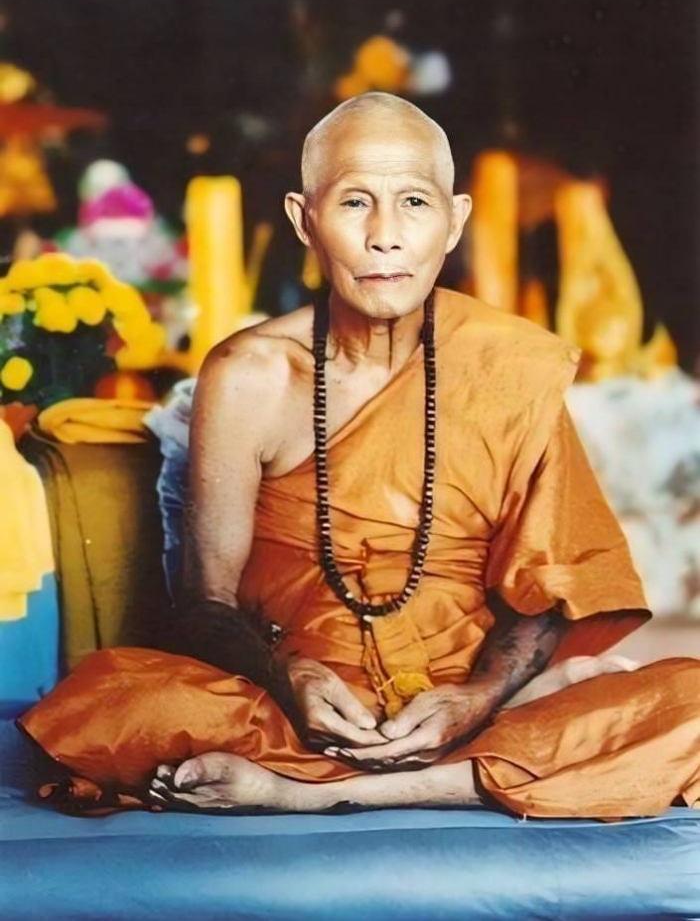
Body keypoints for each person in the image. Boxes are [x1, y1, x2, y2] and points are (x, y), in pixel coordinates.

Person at [20, 93, 700, 819]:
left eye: (414, 203)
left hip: (460, 708)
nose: (385, 237)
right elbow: (205, 602)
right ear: (304, 219)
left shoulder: (507, 366)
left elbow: (549, 592)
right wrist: (291, 676)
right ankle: (472, 773)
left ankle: (321, 794)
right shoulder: (252, 375)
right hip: (295, 707)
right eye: (353, 202)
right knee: (110, 700)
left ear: (454, 222)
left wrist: (476, 697)